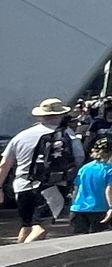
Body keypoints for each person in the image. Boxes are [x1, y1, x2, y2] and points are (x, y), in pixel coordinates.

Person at [0, 97, 83, 242]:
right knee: (40, 227)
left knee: (26, 226)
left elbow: (4, 164)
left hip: (22, 187)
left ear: (41, 115)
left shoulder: (21, 136)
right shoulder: (67, 134)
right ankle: (23, 258)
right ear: (61, 115)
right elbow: (79, 158)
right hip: (52, 187)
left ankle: (15, 254)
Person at [68, 137, 112, 233]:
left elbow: (76, 189)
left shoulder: (84, 168)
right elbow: (110, 189)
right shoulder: (110, 170)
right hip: (100, 208)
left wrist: (72, 207)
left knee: (80, 238)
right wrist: (111, 207)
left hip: (80, 208)